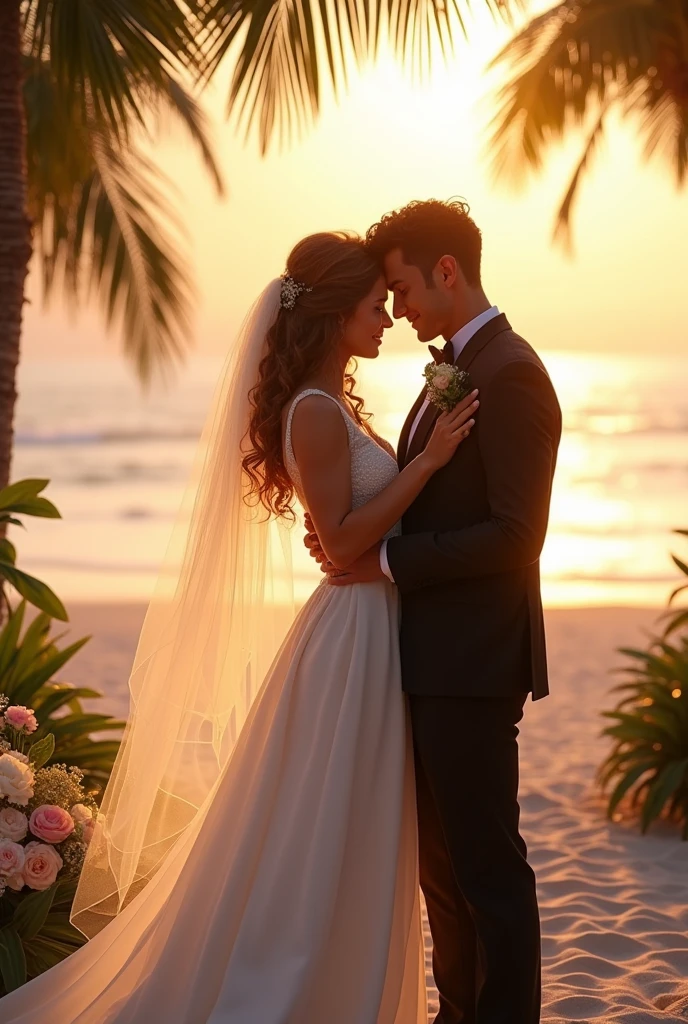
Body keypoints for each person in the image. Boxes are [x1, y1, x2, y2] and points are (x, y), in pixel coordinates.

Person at [0, 231, 477, 1023]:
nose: (388, 319)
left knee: (350, 822)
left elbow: (345, 534)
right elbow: (349, 539)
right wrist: (426, 468)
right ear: (330, 315)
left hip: (368, 624)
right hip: (351, 638)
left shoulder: (334, 404)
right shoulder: (316, 413)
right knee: (330, 825)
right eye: (372, 306)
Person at [307, 199, 562, 1024]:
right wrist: (361, 540)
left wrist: (381, 560)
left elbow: (517, 536)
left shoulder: (511, 371)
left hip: (474, 660)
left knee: (487, 870)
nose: (400, 308)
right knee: (442, 874)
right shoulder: (457, 365)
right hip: (428, 655)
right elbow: (429, 500)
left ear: (446, 270)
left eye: (403, 287)